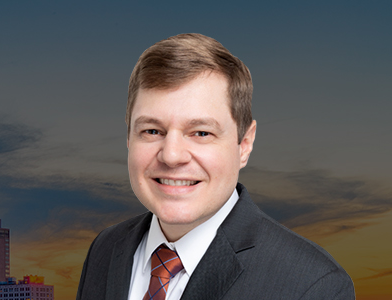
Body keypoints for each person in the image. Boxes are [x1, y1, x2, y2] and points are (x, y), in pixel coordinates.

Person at [75, 33, 353, 300]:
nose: (171, 156)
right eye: (151, 131)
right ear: (128, 138)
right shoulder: (105, 250)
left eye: (201, 133)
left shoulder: (314, 286)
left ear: (244, 144)